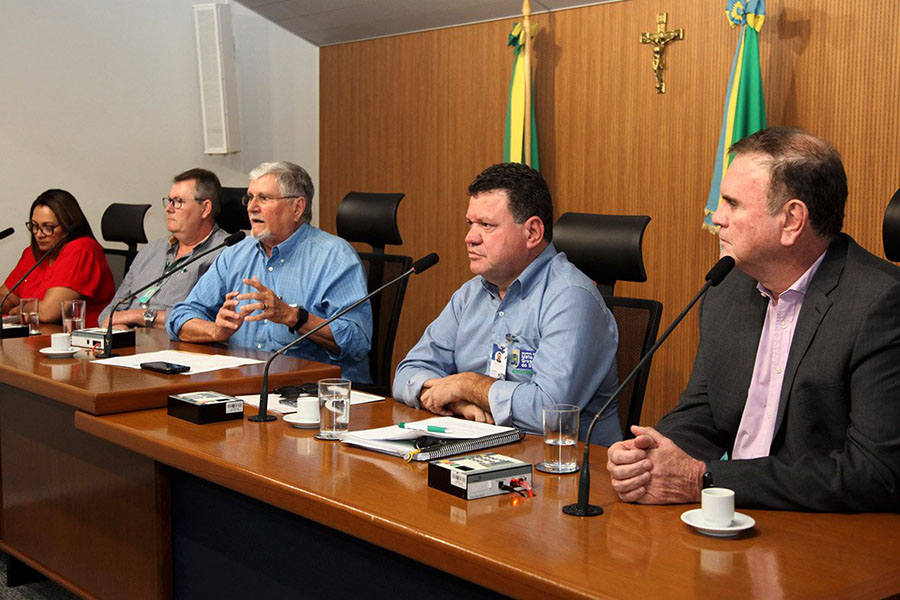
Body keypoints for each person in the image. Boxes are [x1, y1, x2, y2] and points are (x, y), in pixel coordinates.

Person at [606, 127, 900, 512]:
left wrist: (705, 480)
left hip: (826, 533)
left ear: (792, 219)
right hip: (733, 515)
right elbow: (704, 412)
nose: (716, 217)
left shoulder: (878, 303)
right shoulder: (726, 290)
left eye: (732, 203)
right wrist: (650, 456)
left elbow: (874, 473)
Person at [393, 162, 621, 445]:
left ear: (532, 233)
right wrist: (460, 402)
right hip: (482, 450)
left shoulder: (571, 298)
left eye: (486, 225)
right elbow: (407, 372)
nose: (470, 238)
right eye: (470, 224)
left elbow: (548, 410)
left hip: (561, 467)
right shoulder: (471, 294)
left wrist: (467, 384)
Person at [166, 161, 372, 382]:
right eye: (250, 198)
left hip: (309, 392)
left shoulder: (335, 257)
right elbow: (180, 317)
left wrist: (294, 317)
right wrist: (216, 331)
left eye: (263, 198)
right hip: (244, 384)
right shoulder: (234, 254)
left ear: (297, 208)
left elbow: (357, 341)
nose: (251, 207)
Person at [99, 169, 229, 330]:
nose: (168, 208)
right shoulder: (150, 251)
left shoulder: (225, 254)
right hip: (129, 344)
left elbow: (206, 319)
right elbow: (110, 313)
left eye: (178, 201)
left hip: (178, 347)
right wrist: (121, 332)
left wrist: (139, 316)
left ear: (205, 208)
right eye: (169, 201)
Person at [2, 189, 114, 327]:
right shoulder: (32, 253)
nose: (39, 234)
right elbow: (5, 297)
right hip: (37, 337)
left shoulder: (82, 249)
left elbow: (48, 312)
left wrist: (19, 310)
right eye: (34, 226)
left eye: (48, 227)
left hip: (76, 341)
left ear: (69, 226)